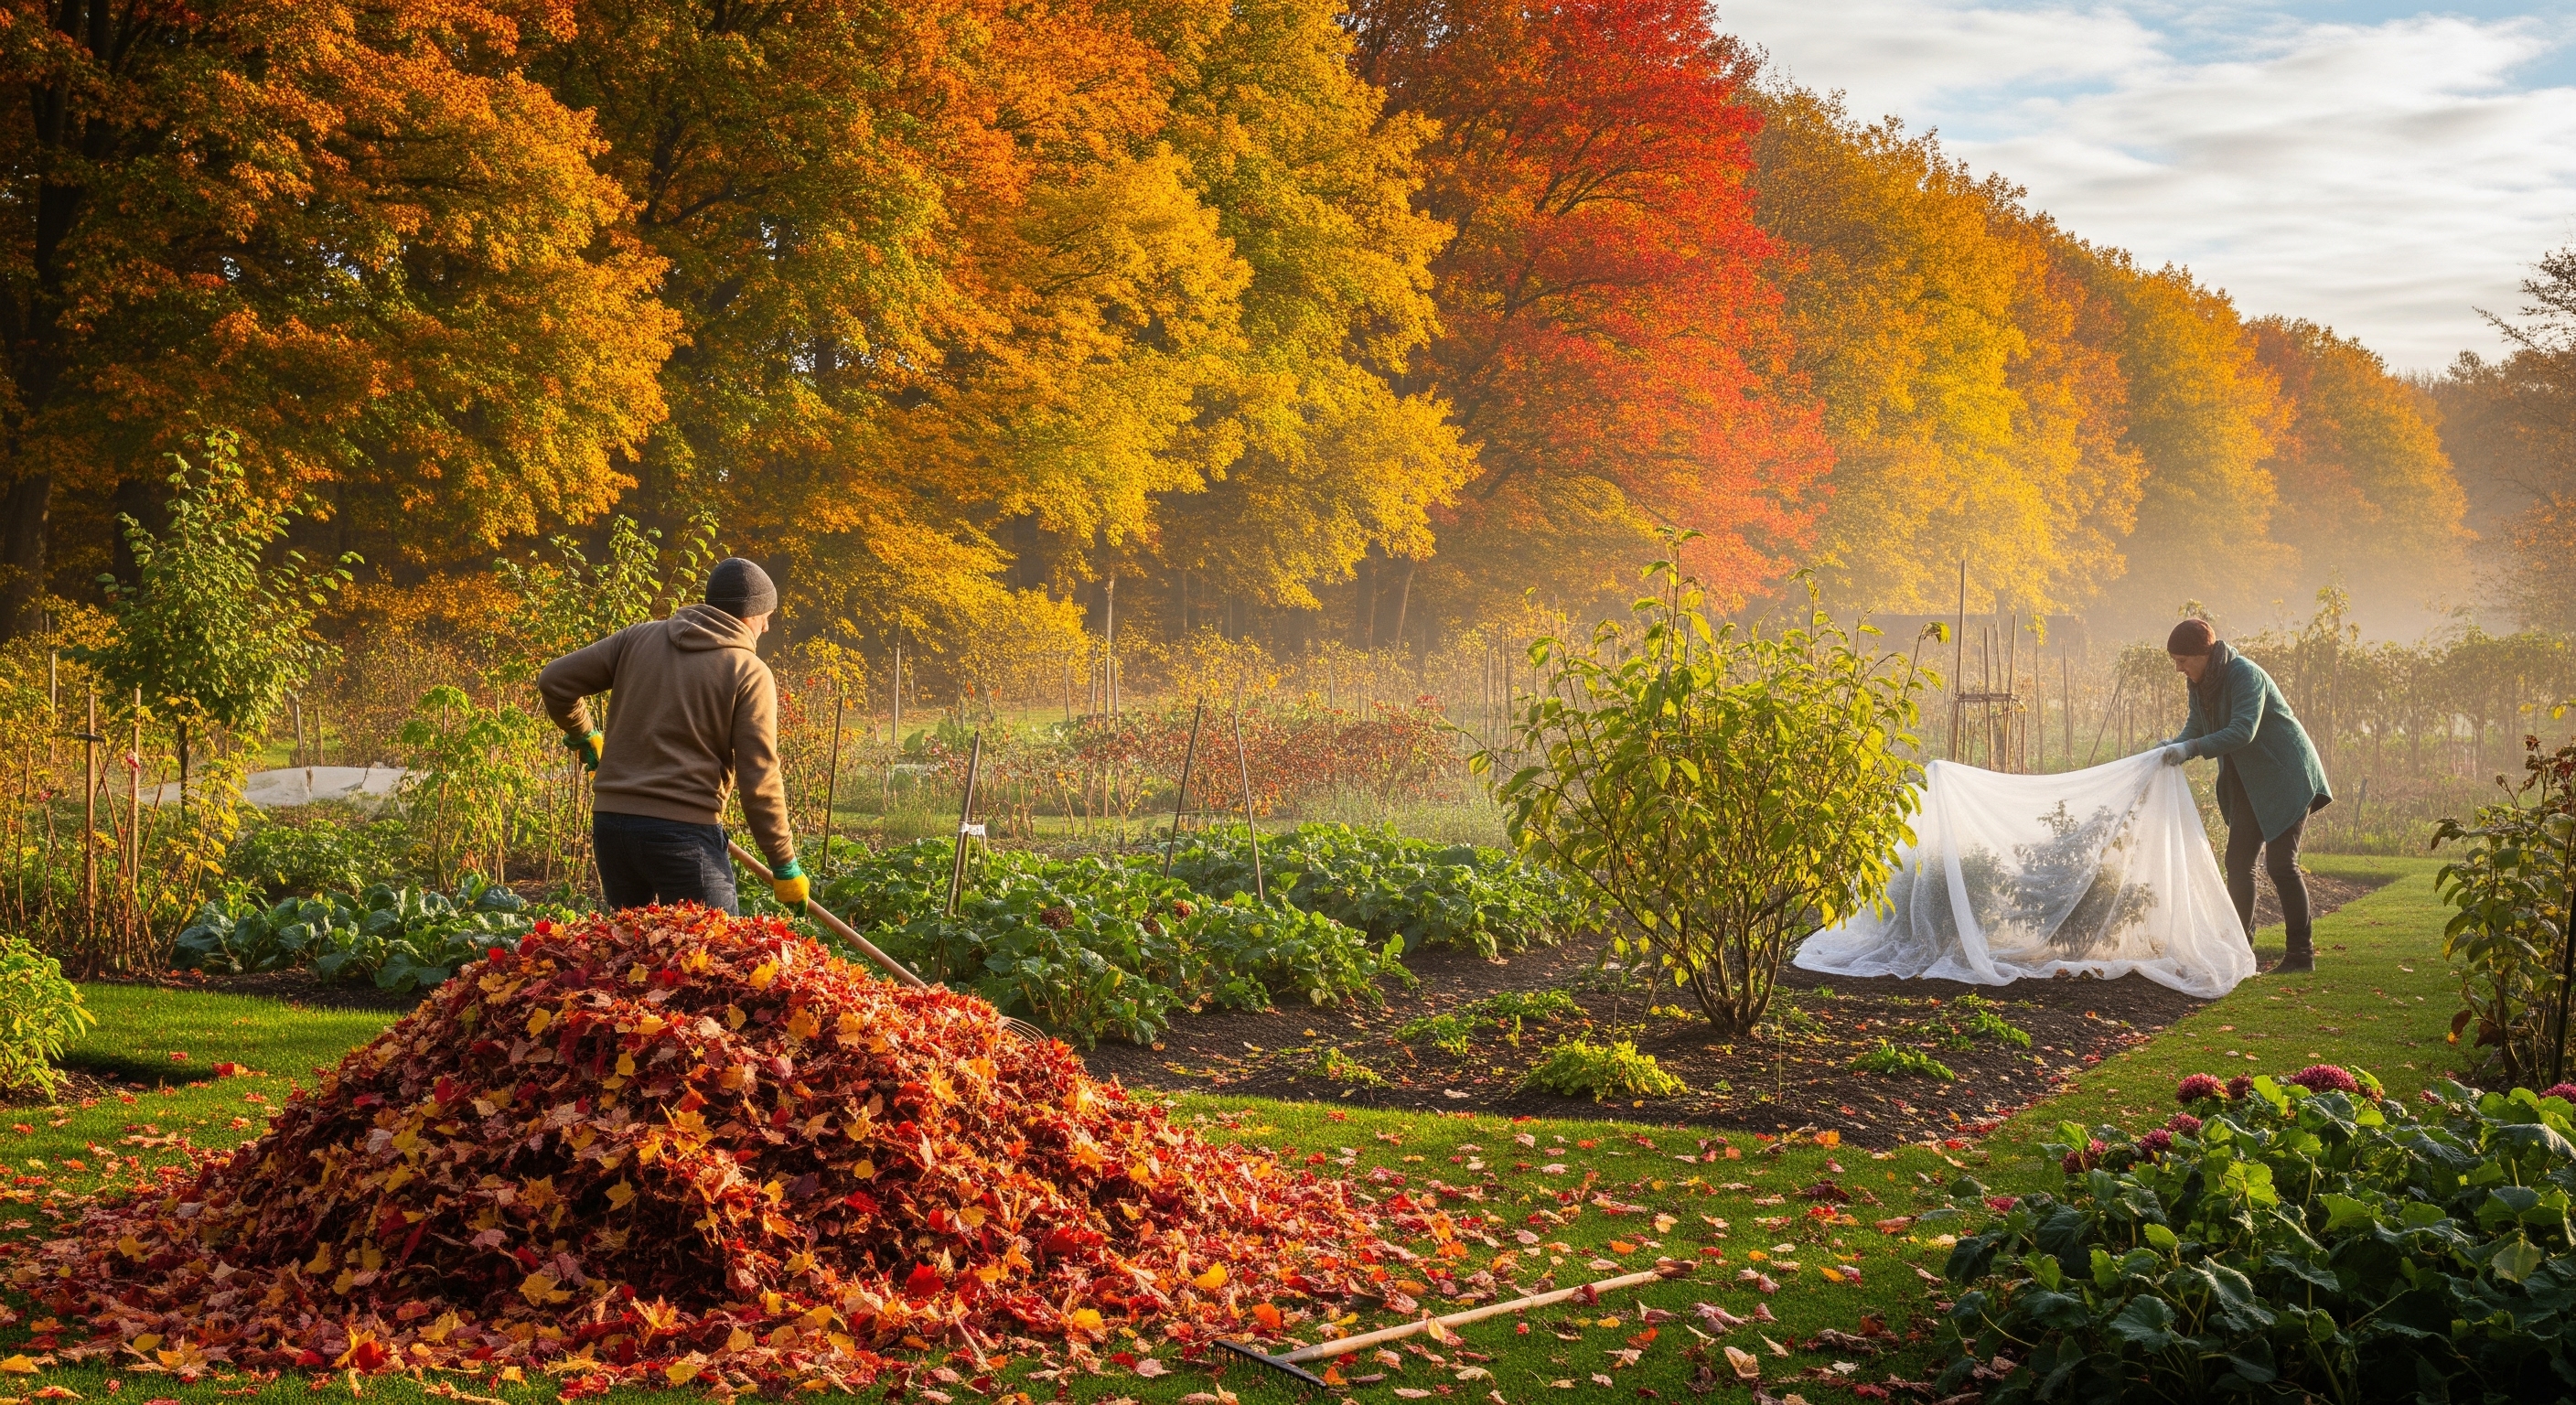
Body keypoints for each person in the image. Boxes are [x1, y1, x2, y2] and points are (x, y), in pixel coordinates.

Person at [539, 558, 808, 916]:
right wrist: (784, 863)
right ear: (749, 614)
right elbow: (759, 778)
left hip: (612, 827)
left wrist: (585, 734)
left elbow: (554, 681)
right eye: (765, 615)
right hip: (683, 837)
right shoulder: (748, 672)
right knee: (716, 960)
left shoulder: (638, 638)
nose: (768, 626)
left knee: (633, 956)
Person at [2159, 618, 2331, 971]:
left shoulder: (2243, 674)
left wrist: (2190, 748)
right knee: (2238, 863)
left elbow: (2243, 730)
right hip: (2251, 783)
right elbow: (2196, 726)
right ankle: (2241, 950)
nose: (2178, 668)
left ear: (2203, 654)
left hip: (2286, 775)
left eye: (2182, 660)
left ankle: (2301, 955)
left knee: (2281, 865)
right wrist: (2173, 745)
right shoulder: (2201, 682)